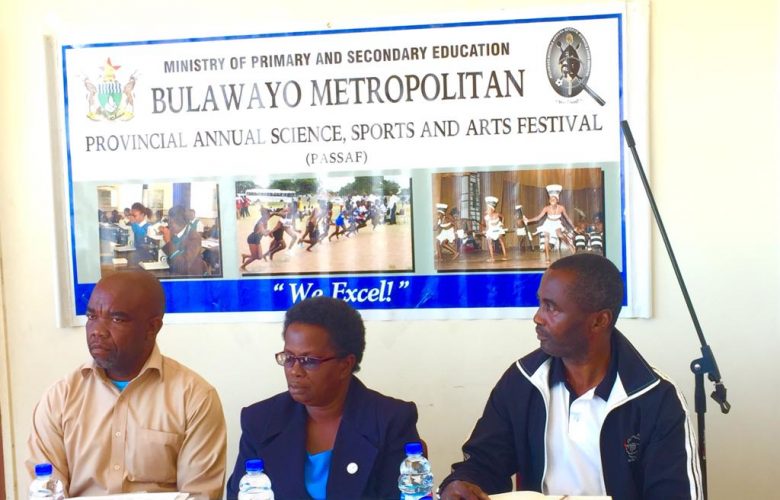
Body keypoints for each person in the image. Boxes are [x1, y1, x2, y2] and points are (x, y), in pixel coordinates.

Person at [439, 253, 702, 500]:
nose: (537, 317)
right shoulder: (522, 381)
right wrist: (461, 483)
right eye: (540, 303)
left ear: (599, 321)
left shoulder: (656, 398)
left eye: (551, 308)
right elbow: (484, 463)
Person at [26, 271, 227, 498]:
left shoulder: (194, 398)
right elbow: (46, 491)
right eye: (92, 316)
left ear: (152, 328)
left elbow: (200, 494)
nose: (97, 331)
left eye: (117, 319)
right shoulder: (59, 398)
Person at [227, 297, 421, 500]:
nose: (294, 371)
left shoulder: (391, 420)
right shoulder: (261, 420)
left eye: (308, 361)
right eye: (289, 358)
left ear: (345, 365)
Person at [524, 184, 575, 263]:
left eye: (554, 199)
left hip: (557, 223)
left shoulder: (561, 208)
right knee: (546, 237)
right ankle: (547, 257)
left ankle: (570, 246)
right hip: (548, 223)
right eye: (551, 199)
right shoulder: (546, 208)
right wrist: (528, 220)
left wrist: (574, 227)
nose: (552, 200)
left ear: (557, 200)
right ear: (549, 200)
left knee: (560, 235)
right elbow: (538, 217)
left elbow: (567, 218)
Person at [160, 205, 207, 276]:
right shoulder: (174, 231)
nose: (168, 224)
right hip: (172, 269)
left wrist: (168, 242)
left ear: (174, 221)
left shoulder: (194, 237)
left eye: (170, 221)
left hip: (188, 276)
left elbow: (184, 266)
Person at [481, 196, 507, 262]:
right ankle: (492, 257)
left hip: (498, 229)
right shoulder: (486, 217)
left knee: (501, 242)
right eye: (487, 209)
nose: (487, 210)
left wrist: (502, 223)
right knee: (489, 242)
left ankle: (505, 256)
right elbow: (487, 226)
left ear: (492, 209)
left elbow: (503, 217)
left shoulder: (497, 214)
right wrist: (485, 231)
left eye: (488, 209)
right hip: (491, 230)